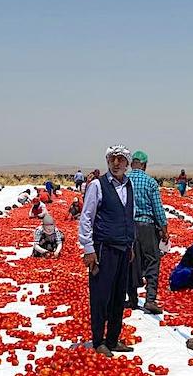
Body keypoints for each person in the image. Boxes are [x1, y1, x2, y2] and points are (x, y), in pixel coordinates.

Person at [79, 144, 136, 358]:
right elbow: (86, 217)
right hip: (104, 248)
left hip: (123, 248)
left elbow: (128, 217)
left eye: (120, 159)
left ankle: (113, 339)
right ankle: (98, 340)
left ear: (127, 163)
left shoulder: (128, 186)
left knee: (118, 295)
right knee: (101, 295)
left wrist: (130, 245)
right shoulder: (97, 185)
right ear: (107, 162)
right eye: (112, 159)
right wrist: (88, 249)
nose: (116, 163)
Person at [125, 150, 169, 314]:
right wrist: (164, 229)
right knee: (152, 260)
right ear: (144, 165)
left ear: (131, 164)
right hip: (147, 226)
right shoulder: (150, 182)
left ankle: (133, 299)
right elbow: (158, 208)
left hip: (128, 227)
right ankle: (150, 300)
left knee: (130, 261)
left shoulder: (124, 180)